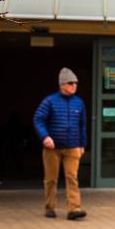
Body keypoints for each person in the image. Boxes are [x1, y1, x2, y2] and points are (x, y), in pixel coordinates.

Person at [34, 67, 88, 220]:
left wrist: (82, 144)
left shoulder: (79, 103)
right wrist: (45, 137)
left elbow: (83, 124)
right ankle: (50, 207)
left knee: (72, 177)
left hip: (73, 147)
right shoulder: (50, 101)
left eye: (76, 83)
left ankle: (74, 209)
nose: (74, 86)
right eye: (71, 83)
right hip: (52, 148)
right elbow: (38, 119)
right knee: (51, 179)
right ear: (62, 84)